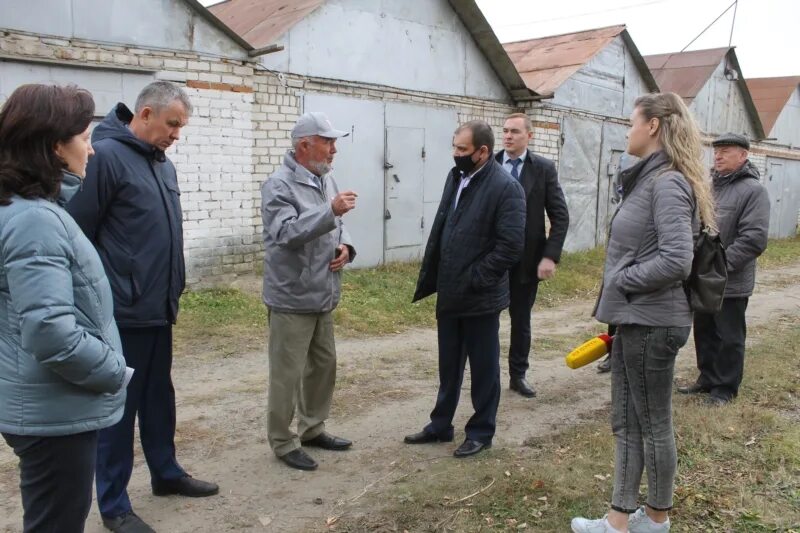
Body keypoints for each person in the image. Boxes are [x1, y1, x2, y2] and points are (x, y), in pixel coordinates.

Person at [66, 81, 217, 533]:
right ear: (145, 114)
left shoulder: (161, 164)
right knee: (119, 408)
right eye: (172, 124)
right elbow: (79, 234)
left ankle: (166, 473)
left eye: (181, 127)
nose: (177, 134)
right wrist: (97, 302)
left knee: (158, 398)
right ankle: (113, 505)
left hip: (157, 307)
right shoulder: (107, 158)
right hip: (121, 312)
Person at [571, 92, 715, 533]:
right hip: (641, 318)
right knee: (630, 421)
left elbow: (677, 260)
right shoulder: (653, 179)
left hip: (652, 321)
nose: (627, 130)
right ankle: (626, 519)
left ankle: (651, 518)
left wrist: (622, 280)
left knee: (650, 423)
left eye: (632, 121)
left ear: (653, 126)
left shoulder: (667, 182)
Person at [0, 84, 127, 533]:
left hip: (44, 404)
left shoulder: (28, 208)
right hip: (54, 412)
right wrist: (113, 371)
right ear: (55, 145)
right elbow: (51, 332)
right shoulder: (34, 219)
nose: (93, 150)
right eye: (85, 138)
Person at [405, 120, 525, 458]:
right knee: (449, 365)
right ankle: (441, 425)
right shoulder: (457, 176)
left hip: (480, 297)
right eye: (455, 148)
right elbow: (446, 224)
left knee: (484, 368)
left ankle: (481, 432)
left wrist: (476, 278)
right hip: (451, 291)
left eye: (462, 150)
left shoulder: (505, 187)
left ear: (482, 152)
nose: (456, 155)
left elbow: (510, 246)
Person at [261, 112, 357, 471]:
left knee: (323, 365)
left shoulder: (324, 178)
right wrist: (329, 212)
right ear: (305, 145)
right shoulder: (279, 185)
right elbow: (284, 233)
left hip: (323, 291)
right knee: (287, 374)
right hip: (292, 295)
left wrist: (345, 247)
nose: (334, 150)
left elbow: (338, 224)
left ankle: (313, 428)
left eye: (334, 142)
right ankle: (283, 441)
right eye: (328, 142)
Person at [678, 133, 769, 406]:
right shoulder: (709, 186)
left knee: (729, 335)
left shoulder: (754, 191)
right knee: (704, 330)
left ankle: (725, 389)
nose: (717, 156)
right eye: (716, 151)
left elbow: (754, 239)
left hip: (731, 279)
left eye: (725, 151)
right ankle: (707, 379)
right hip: (704, 277)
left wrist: (720, 266)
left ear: (743, 155)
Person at [495, 113, 569, 397]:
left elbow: (560, 217)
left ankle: (518, 375)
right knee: (486, 319)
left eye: (514, 131)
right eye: (505, 131)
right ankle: (486, 374)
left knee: (520, 319)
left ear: (529, 135)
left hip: (526, 262)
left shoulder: (543, 168)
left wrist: (550, 256)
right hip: (493, 260)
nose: (508, 136)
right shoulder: (490, 164)